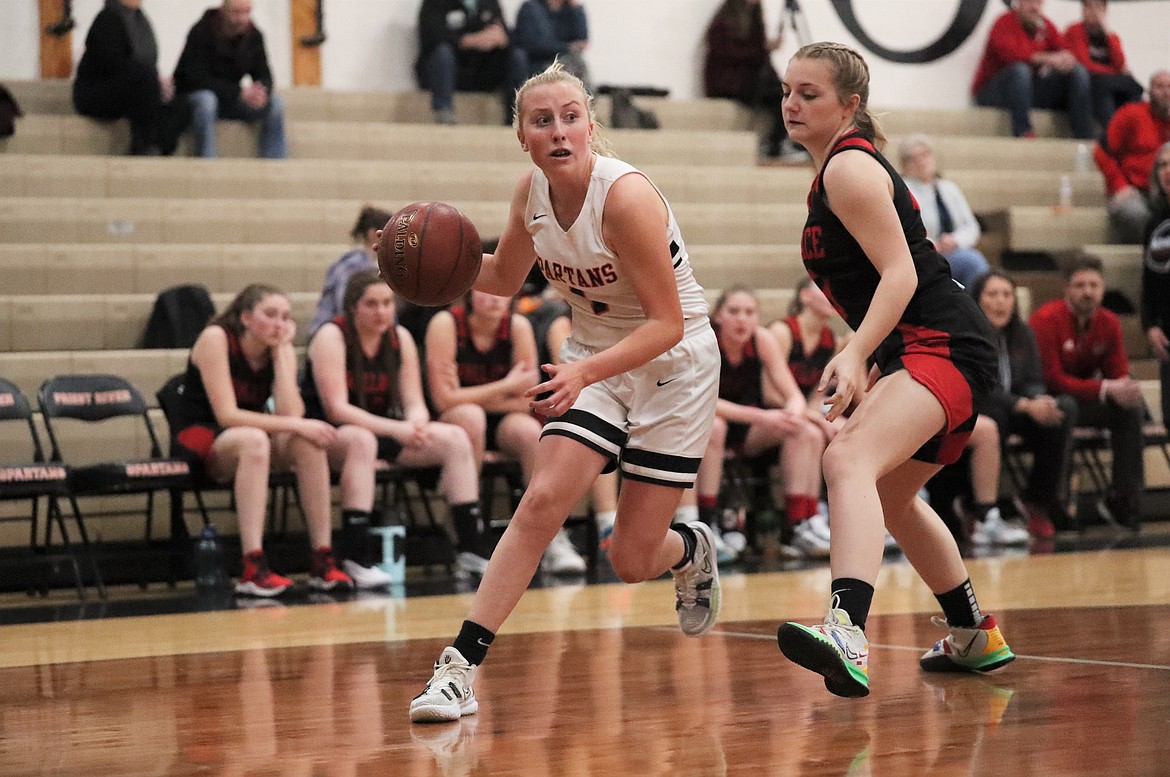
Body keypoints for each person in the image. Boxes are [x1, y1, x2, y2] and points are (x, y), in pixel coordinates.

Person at [408, 62, 721, 723]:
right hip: (592, 356)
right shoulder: (532, 193)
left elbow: (665, 323)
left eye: (570, 116)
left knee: (631, 559)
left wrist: (582, 372)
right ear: (521, 135)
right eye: (542, 120)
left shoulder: (626, 198)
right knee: (542, 500)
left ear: (590, 126)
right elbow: (500, 276)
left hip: (674, 361)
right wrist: (411, 262)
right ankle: (459, 667)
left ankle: (689, 547)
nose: (558, 130)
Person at [774, 42, 1015, 699]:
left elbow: (902, 273)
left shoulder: (849, 170)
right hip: (931, 346)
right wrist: (873, 356)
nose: (792, 103)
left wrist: (855, 352)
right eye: (788, 90)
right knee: (888, 496)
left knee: (847, 456)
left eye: (810, 93)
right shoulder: (838, 169)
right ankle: (973, 633)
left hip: (942, 341)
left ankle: (847, 631)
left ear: (850, 105)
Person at [167, 284, 370, 596]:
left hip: (250, 436)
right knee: (258, 440)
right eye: (271, 315)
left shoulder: (278, 347)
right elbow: (227, 416)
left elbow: (292, 412)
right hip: (203, 437)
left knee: (309, 442)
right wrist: (296, 424)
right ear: (246, 318)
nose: (280, 324)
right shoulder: (216, 338)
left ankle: (322, 558)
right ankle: (252, 566)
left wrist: (282, 355)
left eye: (286, 317)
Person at [305, 269, 489, 584]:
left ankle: (471, 548)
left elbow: (414, 399)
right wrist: (396, 429)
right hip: (329, 434)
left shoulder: (399, 337)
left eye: (388, 303)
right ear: (353, 307)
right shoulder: (331, 336)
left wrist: (417, 421)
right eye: (372, 304)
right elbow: (337, 409)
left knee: (456, 438)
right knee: (362, 441)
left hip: (384, 429)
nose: (382, 312)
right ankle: (355, 556)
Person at [424, 288, 587, 575]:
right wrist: (505, 386)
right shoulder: (446, 323)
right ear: (468, 296)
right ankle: (465, 526)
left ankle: (552, 536)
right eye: (483, 293)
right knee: (471, 417)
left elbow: (527, 401)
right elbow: (443, 400)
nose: (493, 299)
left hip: (503, 420)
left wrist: (467, 393)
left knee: (529, 432)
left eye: (499, 293)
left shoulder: (517, 325)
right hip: (454, 422)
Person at [688, 285, 826, 559]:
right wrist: (763, 416)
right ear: (718, 317)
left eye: (750, 312)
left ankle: (801, 524)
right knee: (716, 425)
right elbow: (707, 401)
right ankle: (708, 523)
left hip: (748, 431)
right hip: (704, 426)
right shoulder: (706, 342)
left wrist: (793, 414)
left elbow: (793, 395)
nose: (742, 319)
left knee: (806, 431)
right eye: (734, 311)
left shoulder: (762, 339)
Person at [1030, 254, 1145, 530]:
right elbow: (1053, 379)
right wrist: (1106, 388)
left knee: (1131, 407)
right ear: (1066, 289)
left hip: (1086, 401)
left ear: (1103, 288)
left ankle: (1123, 498)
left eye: (1094, 285)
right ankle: (1056, 501)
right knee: (1066, 406)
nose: (1088, 292)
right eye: (1080, 285)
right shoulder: (1046, 319)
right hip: (1050, 403)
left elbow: (1118, 372)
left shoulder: (1109, 322)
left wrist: (1125, 387)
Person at [963, 270, 1070, 543]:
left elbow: (1034, 380)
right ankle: (979, 509)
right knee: (994, 417)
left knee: (1062, 409)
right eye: (993, 294)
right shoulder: (968, 335)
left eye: (1007, 295)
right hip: (981, 409)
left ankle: (1036, 502)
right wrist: (1024, 404)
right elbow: (981, 389)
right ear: (977, 300)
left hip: (1016, 409)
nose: (1001, 302)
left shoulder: (1023, 333)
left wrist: (1038, 401)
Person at [72, 0, 190, 156]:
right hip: (99, 91)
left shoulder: (141, 21)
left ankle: (160, 148)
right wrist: (151, 78)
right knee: (143, 78)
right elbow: (110, 62)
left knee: (183, 104)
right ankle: (143, 147)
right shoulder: (107, 19)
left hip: (134, 86)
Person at [173, 0, 288, 159]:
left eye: (247, 12)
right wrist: (239, 92)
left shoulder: (253, 35)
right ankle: (207, 161)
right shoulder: (201, 32)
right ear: (223, 11)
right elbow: (195, 79)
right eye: (236, 13)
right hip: (198, 98)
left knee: (275, 102)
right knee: (207, 100)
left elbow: (264, 74)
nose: (242, 19)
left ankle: (275, 163)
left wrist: (260, 91)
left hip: (232, 100)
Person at [971, 0, 1093, 140]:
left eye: (1038, 3)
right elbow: (1012, 55)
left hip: (1025, 93)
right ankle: (1024, 133)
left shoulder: (1045, 25)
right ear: (1019, 3)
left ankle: (1084, 138)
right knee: (1020, 71)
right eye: (1030, 2)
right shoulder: (1004, 22)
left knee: (1078, 72)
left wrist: (1067, 59)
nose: (1035, 7)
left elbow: (1065, 48)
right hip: (993, 92)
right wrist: (1048, 58)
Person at [702, 0, 802, 161]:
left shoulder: (753, 18)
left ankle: (779, 144)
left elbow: (759, 58)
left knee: (785, 95)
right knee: (780, 100)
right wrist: (763, 49)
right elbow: (729, 54)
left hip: (745, 79)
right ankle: (775, 145)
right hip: (730, 83)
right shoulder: (726, 21)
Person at [898, 134, 991, 289]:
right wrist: (933, 244)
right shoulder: (903, 190)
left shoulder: (948, 188)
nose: (920, 162)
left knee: (973, 262)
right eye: (912, 158)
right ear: (903, 165)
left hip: (954, 251)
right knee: (972, 262)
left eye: (924, 155)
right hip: (922, 255)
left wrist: (955, 240)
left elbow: (971, 227)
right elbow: (905, 231)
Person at [415, 0, 529, 125]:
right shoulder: (435, 3)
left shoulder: (489, 3)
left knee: (517, 56)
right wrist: (469, 41)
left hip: (481, 69)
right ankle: (444, 112)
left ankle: (515, 118)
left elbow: (502, 30)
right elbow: (431, 37)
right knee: (442, 53)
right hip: (451, 70)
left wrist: (500, 38)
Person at [1094, 70, 1170, 244]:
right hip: (1133, 191)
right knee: (1137, 214)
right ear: (1149, 92)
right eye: (1160, 86)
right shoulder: (1131, 114)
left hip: (1163, 193)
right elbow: (1101, 151)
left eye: (1169, 87)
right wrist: (1119, 185)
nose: (1166, 91)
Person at [308, 205, 394, 337]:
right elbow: (344, 307)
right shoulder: (351, 266)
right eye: (390, 233)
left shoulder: (377, 263)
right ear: (373, 234)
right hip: (331, 333)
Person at [1063, 0, 1143, 133]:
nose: (1094, 12)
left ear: (1105, 11)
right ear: (1083, 10)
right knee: (1105, 86)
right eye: (1089, 7)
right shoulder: (1075, 30)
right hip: (1087, 82)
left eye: (1098, 7)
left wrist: (1107, 33)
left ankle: (1136, 132)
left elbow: (1120, 62)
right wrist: (1115, 72)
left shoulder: (1111, 36)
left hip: (1108, 82)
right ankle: (1112, 133)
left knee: (1134, 87)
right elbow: (1085, 64)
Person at [1142, 142, 1170, 427]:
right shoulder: (1154, 222)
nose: (1167, 171)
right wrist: (1150, 325)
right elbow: (1148, 280)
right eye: (1161, 165)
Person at [512, 0, 590, 87]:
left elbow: (582, 41)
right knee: (573, 65)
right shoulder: (531, 9)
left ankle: (587, 98)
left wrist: (577, 9)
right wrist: (567, 47)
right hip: (538, 63)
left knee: (576, 61)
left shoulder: (570, 10)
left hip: (564, 60)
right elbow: (531, 44)